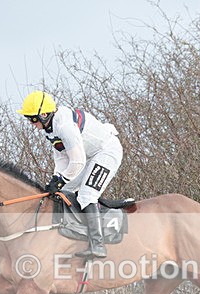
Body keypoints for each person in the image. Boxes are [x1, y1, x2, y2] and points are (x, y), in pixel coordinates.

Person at [17, 90, 123, 259]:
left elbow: (77, 161)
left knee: (87, 196)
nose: (31, 122)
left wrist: (62, 178)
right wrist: (56, 178)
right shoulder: (50, 129)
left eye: (32, 118)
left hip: (106, 152)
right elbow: (62, 157)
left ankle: (98, 244)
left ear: (44, 114)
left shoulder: (64, 127)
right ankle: (74, 233)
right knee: (62, 192)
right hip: (86, 157)